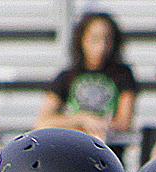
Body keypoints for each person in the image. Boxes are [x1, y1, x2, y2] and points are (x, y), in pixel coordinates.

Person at [36, 12, 137, 156]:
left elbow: (124, 121)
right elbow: (43, 122)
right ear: (82, 40)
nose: (101, 47)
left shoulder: (122, 75)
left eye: (107, 40)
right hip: (73, 154)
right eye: (94, 39)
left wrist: (99, 126)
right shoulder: (67, 77)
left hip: (108, 155)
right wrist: (82, 119)